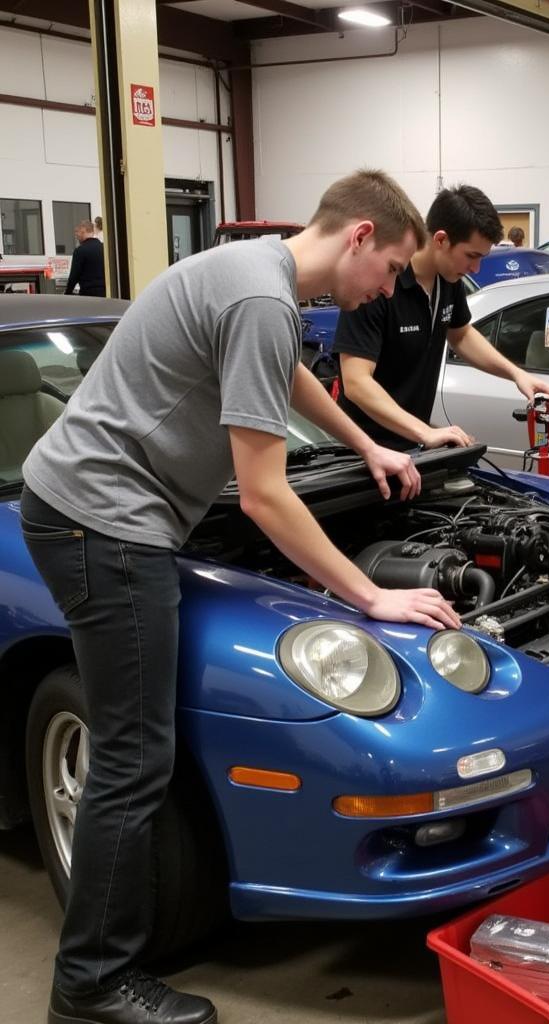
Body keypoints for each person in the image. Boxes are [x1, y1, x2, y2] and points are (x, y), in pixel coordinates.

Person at [21, 168, 460, 1024]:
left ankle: (96, 972)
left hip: (90, 511)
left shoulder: (260, 273)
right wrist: (370, 596)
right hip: (102, 524)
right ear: (361, 237)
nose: (390, 290)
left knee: (132, 750)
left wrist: (363, 441)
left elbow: (285, 374)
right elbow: (262, 496)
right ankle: (90, 985)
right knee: (131, 758)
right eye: (394, 269)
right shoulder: (261, 297)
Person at [333, 184, 549, 451]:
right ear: (440, 239)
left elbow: (461, 334)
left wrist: (516, 375)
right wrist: (424, 431)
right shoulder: (380, 284)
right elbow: (356, 383)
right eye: (471, 256)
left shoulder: (448, 280)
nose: (475, 269)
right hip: (359, 451)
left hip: (410, 446)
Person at [65, 220, 105, 297]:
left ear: (83, 231)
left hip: (88, 294)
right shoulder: (105, 248)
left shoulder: (80, 250)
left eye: (77, 232)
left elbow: (74, 276)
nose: (76, 235)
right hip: (105, 293)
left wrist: (67, 293)